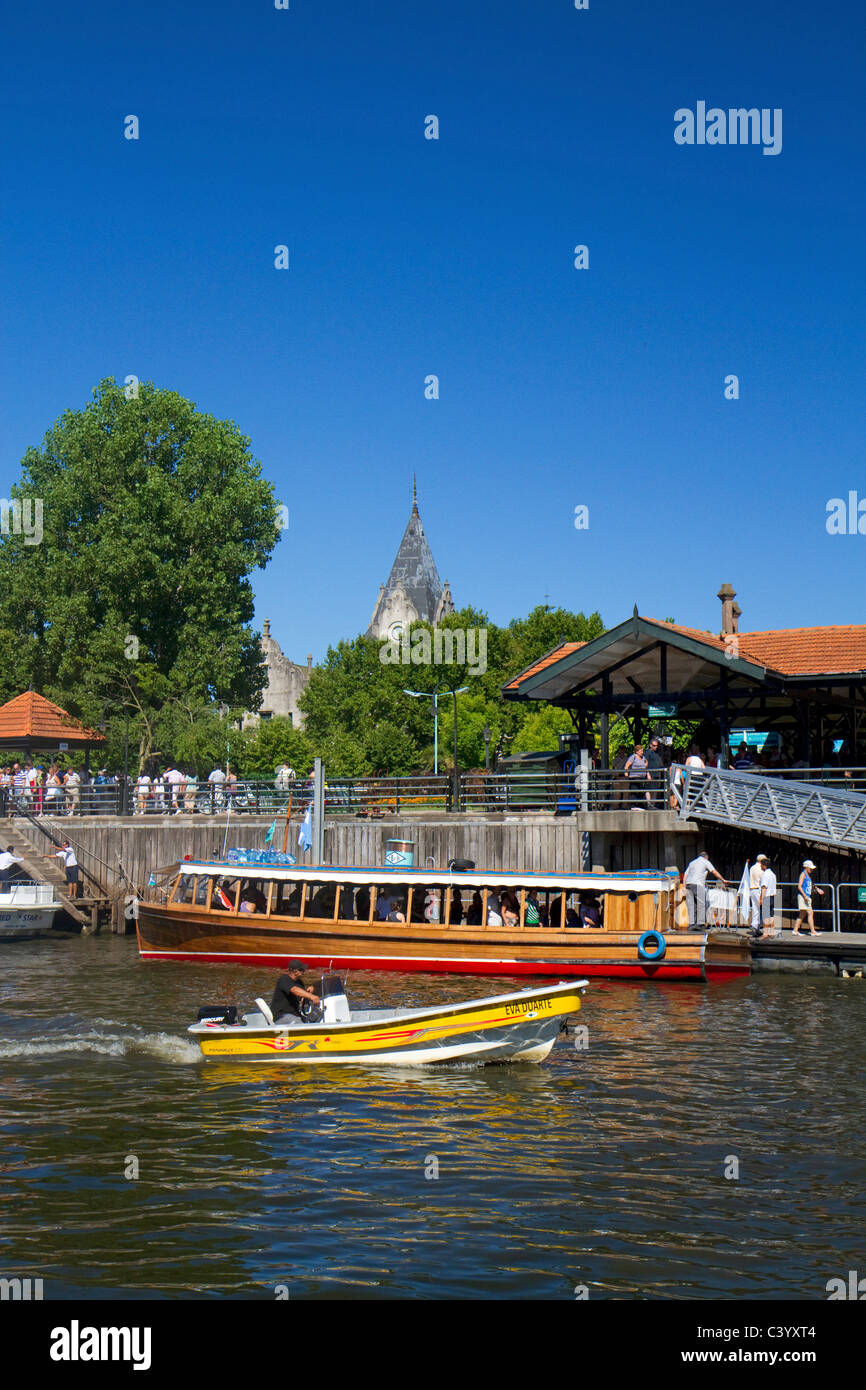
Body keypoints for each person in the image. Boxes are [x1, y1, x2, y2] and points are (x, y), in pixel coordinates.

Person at [683, 850, 726, 927]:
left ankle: (692, 925)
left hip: (689, 885)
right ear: (706, 857)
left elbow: (685, 875)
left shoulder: (692, 863)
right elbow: (714, 872)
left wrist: (683, 887)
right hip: (698, 884)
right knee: (702, 904)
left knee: (692, 905)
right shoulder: (705, 861)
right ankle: (700, 924)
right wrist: (723, 880)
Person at [794, 859, 824, 936]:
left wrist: (818, 889)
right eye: (810, 868)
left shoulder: (808, 875)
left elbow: (811, 885)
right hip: (804, 897)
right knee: (810, 913)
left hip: (807, 896)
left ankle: (795, 930)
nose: (811, 869)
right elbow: (799, 886)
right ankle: (813, 931)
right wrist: (804, 896)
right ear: (806, 867)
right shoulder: (803, 874)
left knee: (802, 914)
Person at [756, 855, 778, 939]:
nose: (760, 866)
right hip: (772, 896)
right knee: (771, 915)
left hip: (767, 897)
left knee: (765, 915)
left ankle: (765, 933)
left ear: (764, 865)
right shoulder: (773, 874)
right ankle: (771, 932)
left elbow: (764, 887)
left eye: (761, 865)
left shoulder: (765, 875)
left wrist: (761, 898)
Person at [624, 743, 652, 808]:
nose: (642, 752)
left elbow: (646, 766)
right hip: (634, 777)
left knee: (641, 791)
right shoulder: (633, 757)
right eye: (641, 751)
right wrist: (626, 774)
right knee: (634, 791)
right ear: (637, 751)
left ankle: (640, 805)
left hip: (642, 777)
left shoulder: (643, 758)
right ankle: (633, 805)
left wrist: (648, 774)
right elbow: (626, 766)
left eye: (642, 751)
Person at [646, 736, 665, 807]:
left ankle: (653, 804)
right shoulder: (647, 753)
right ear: (650, 745)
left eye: (656, 746)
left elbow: (660, 764)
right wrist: (648, 774)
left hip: (656, 774)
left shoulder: (657, 754)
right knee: (649, 789)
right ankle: (649, 804)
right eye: (654, 745)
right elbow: (645, 764)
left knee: (655, 790)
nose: (655, 747)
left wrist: (659, 774)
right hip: (650, 774)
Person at [749, 855, 766, 932]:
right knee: (760, 909)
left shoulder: (752, 867)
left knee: (755, 909)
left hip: (752, 889)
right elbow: (762, 880)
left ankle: (756, 929)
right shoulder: (761, 868)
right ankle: (755, 925)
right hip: (758, 889)